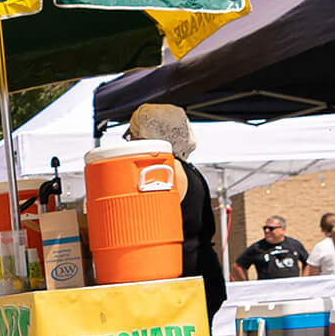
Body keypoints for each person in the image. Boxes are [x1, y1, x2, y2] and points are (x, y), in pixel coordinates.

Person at [129, 103, 225, 319]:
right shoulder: (189, 168)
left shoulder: (160, 171)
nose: (131, 142)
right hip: (201, 272)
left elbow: (144, 228)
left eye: (133, 135)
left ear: (149, 134)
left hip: (183, 279)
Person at [235, 215, 308, 282]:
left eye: (271, 228)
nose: (267, 231)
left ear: (282, 229)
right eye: (265, 228)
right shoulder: (257, 247)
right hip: (267, 291)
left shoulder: (294, 244)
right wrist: (247, 283)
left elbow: (308, 263)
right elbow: (238, 265)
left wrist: (303, 280)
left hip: (292, 289)